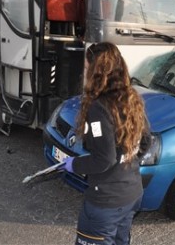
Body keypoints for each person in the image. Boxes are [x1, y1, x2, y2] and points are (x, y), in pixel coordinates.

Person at [63, 42, 150, 245]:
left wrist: (72, 164)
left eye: (87, 68)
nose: (84, 73)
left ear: (97, 72)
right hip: (132, 193)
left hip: (105, 203)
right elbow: (146, 140)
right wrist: (126, 158)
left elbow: (104, 159)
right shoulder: (132, 98)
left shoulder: (99, 108)